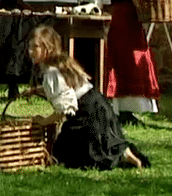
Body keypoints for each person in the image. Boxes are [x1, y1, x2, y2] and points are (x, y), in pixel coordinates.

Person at [24, 25, 149, 169]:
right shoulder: (59, 64)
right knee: (108, 139)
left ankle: (123, 158)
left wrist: (44, 121)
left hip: (87, 114)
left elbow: (66, 108)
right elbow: (68, 88)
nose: (31, 51)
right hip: (99, 103)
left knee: (62, 151)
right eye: (30, 47)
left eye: (35, 47)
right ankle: (128, 156)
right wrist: (37, 90)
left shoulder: (52, 72)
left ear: (48, 48)